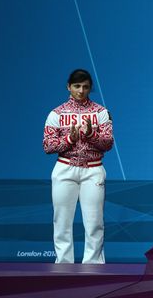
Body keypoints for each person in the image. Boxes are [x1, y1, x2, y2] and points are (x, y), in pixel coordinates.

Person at [43, 69, 113, 263]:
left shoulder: (101, 113)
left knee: (94, 222)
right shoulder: (56, 114)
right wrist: (70, 138)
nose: (81, 91)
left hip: (93, 169)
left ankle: (94, 265)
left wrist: (91, 135)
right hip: (65, 168)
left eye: (85, 87)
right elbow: (48, 146)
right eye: (77, 86)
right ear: (68, 86)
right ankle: (63, 265)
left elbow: (108, 144)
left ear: (90, 88)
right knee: (62, 222)